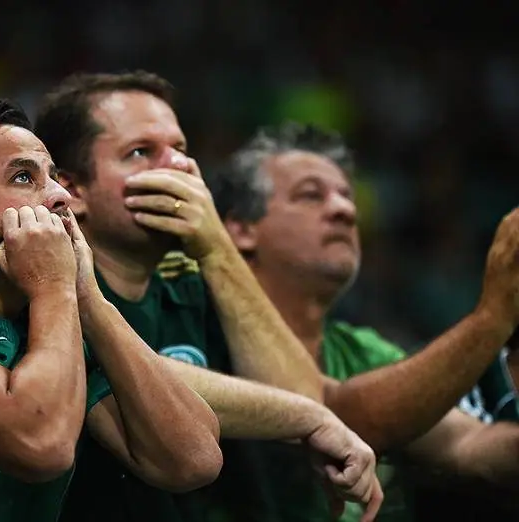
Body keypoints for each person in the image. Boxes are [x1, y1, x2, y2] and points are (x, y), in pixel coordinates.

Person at [34, 71, 382, 522]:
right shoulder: (50, 278)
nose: (176, 167)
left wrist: (217, 247)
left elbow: (300, 397)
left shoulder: (192, 282)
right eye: (140, 153)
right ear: (72, 189)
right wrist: (305, 415)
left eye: (179, 150)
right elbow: (301, 412)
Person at [0, 98, 223, 522]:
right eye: (24, 176)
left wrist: (88, 298)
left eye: (52, 177)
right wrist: (54, 288)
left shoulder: (54, 319)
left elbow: (193, 460)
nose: (60, 195)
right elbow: (41, 444)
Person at [209, 121, 519, 520]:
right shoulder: (194, 326)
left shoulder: (366, 351)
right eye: (311, 195)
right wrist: (495, 315)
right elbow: (331, 413)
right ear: (240, 229)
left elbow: (473, 446)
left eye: (346, 196)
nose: (346, 210)